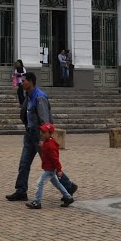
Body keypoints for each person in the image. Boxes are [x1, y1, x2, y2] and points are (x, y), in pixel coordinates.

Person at [6, 72, 76, 201]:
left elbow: (45, 122)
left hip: (40, 137)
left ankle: (68, 186)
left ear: (31, 81)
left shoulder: (40, 97)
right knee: (24, 163)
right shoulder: (28, 96)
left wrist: (45, 140)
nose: (22, 83)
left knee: (50, 164)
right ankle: (21, 190)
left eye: (24, 80)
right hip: (29, 135)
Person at [25, 122, 74, 209]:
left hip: (50, 169)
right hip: (50, 168)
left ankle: (37, 202)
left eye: (44, 132)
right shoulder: (48, 142)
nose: (42, 134)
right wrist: (42, 146)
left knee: (40, 183)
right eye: (42, 132)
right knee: (57, 183)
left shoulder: (50, 145)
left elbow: (55, 159)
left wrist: (59, 169)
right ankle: (68, 197)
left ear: (50, 133)